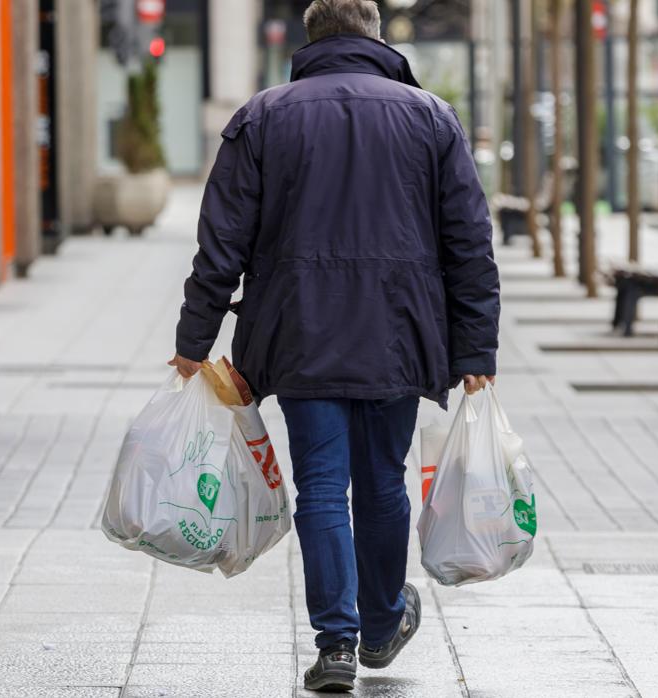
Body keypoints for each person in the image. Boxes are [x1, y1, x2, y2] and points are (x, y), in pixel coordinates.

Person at [169, 0, 499, 691]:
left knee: (321, 482)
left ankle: (338, 644)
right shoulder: (429, 116)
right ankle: (379, 625)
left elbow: (220, 240)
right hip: (398, 328)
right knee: (381, 481)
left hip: (301, 329)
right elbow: (469, 243)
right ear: (375, 37)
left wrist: (194, 339)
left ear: (308, 39)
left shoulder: (262, 116)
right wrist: (475, 352)